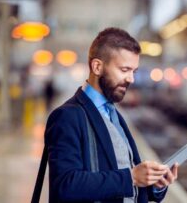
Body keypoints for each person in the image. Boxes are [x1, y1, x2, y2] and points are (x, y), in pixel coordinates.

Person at [45, 27, 178, 203]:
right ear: (97, 66)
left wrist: (155, 184)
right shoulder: (66, 116)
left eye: (134, 71)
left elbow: (123, 175)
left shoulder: (115, 114)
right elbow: (64, 186)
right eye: (124, 70)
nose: (131, 79)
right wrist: (131, 177)